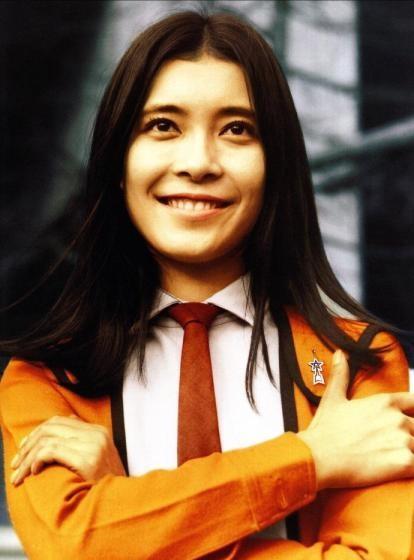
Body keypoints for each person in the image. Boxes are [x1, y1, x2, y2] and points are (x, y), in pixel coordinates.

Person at [1, 10, 413, 559]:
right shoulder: (46, 377)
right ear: (118, 162)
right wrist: (310, 460)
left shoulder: (356, 361)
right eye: (163, 126)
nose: (198, 163)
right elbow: (71, 545)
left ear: (276, 165)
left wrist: (133, 520)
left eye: (237, 129)